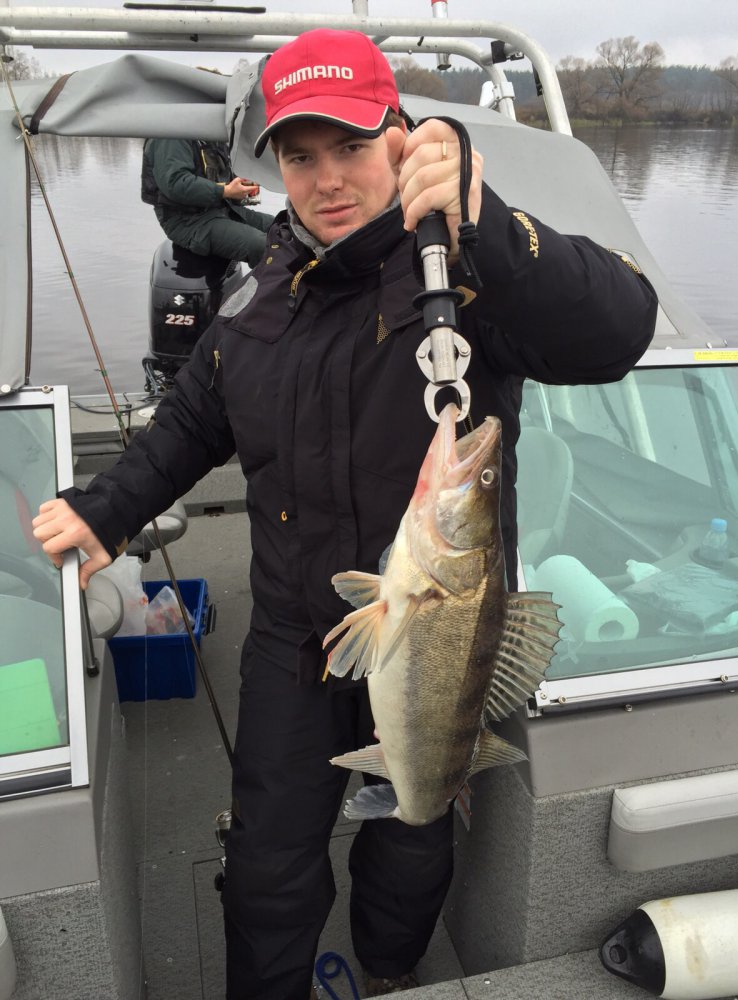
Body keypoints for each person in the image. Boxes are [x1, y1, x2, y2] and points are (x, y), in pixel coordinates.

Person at [33, 28, 658, 1000]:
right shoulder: (257, 295)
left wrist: (486, 218)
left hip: (437, 630)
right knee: (268, 861)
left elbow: (620, 325)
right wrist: (104, 510)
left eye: (352, 146)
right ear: (276, 166)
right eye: (300, 155)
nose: (326, 179)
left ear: (399, 138)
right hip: (295, 637)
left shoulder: (466, 274)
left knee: (415, 827)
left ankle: (391, 965)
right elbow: (190, 423)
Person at [141, 136, 275, 265]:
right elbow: (176, 183)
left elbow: (223, 177)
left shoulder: (207, 133)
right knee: (263, 246)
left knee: (281, 226)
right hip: (187, 221)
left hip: (222, 209)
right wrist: (226, 191)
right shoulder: (171, 135)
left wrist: (243, 189)